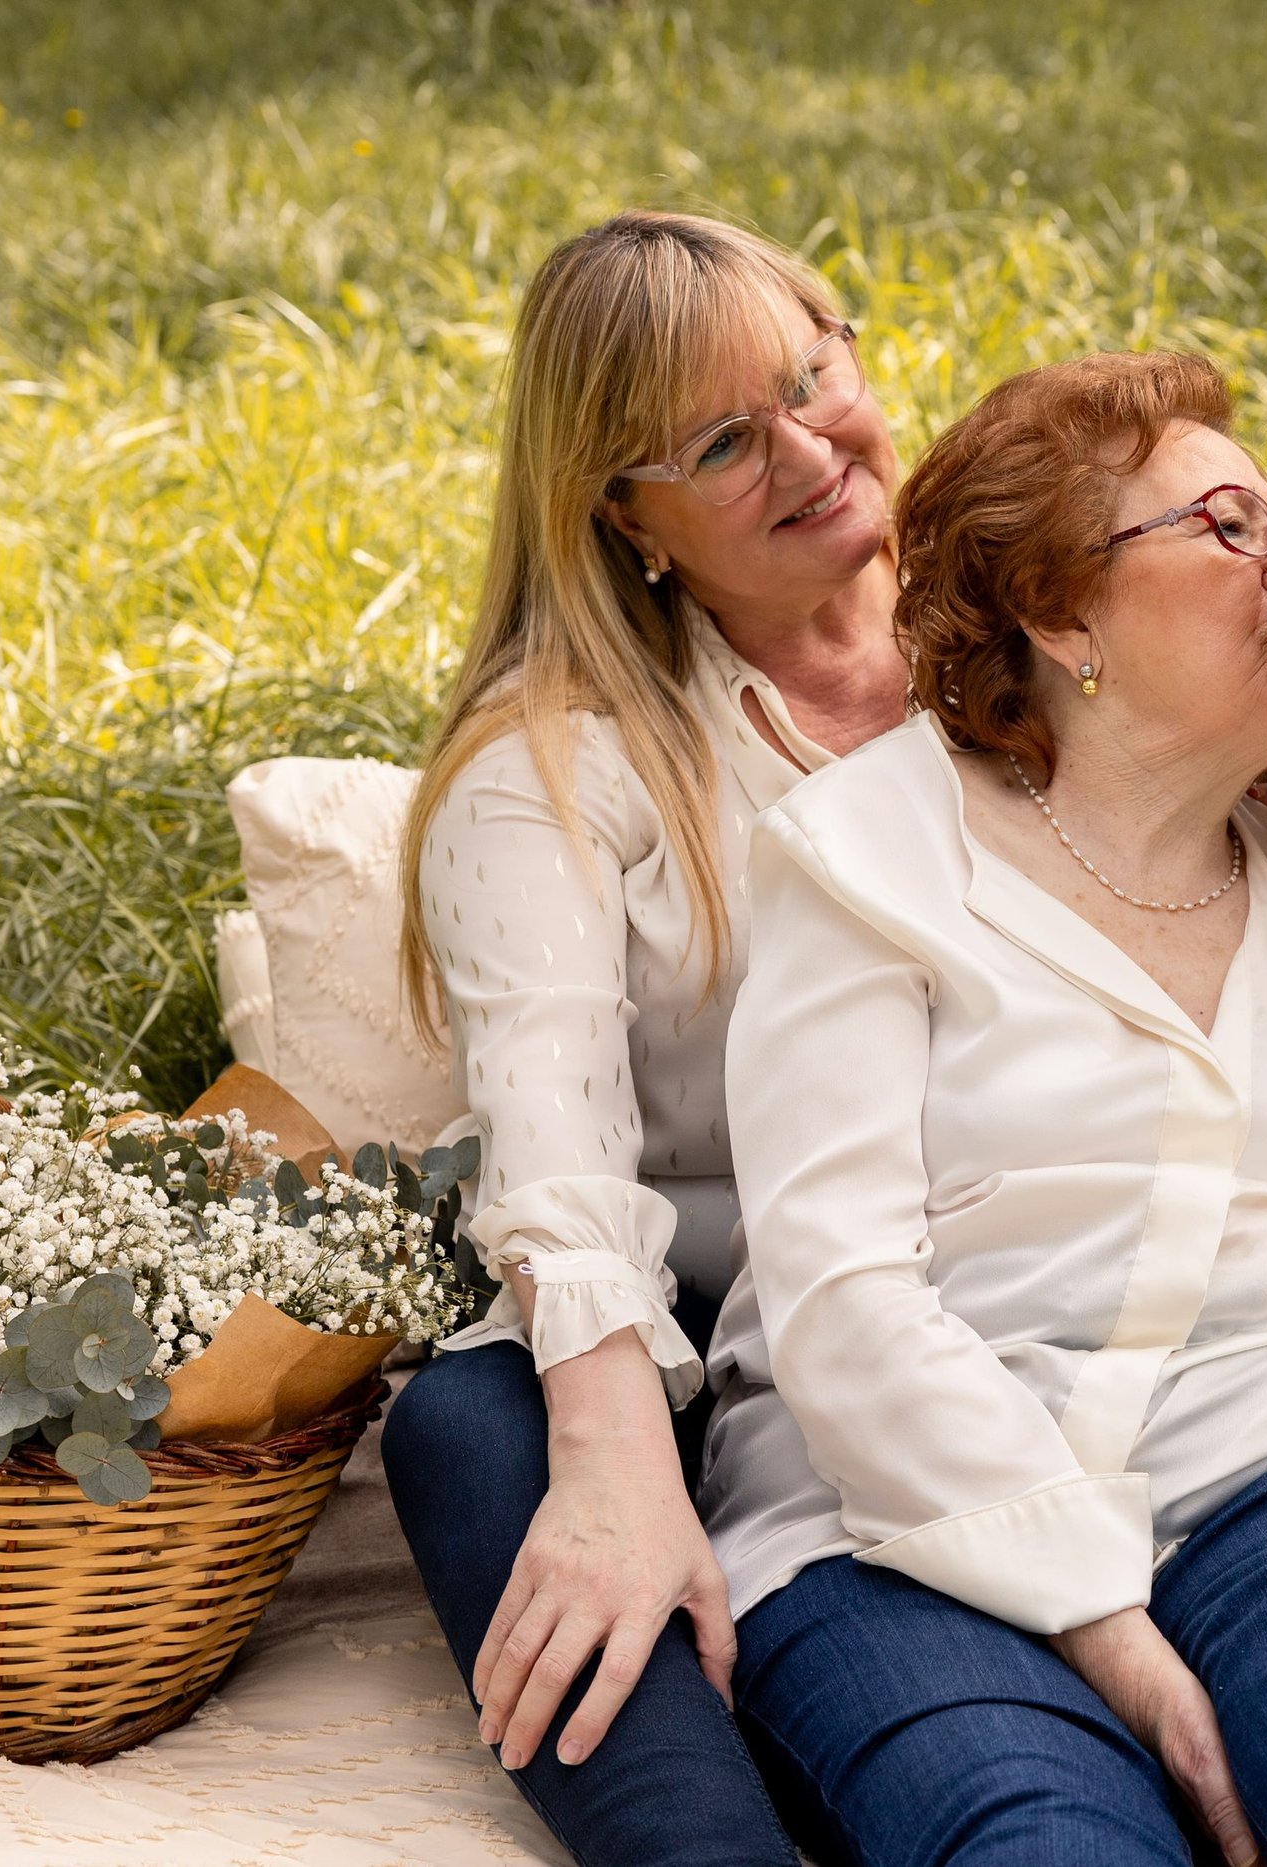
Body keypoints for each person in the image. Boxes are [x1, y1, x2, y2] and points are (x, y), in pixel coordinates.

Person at [702, 350, 1267, 1866]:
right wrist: (1118, 1640)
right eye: (1237, 526)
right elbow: (847, 1308)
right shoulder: (865, 860)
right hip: (896, 1530)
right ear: (1064, 617)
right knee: (1045, 1848)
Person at [378, 210, 911, 1866]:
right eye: (725, 444)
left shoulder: (1030, 631)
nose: (813, 450)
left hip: (986, 1265)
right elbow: (552, 1166)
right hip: (699, 1309)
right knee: (476, 1431)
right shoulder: (554, 766)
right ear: (628, 518)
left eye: (813, 374)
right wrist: (615, 1477)